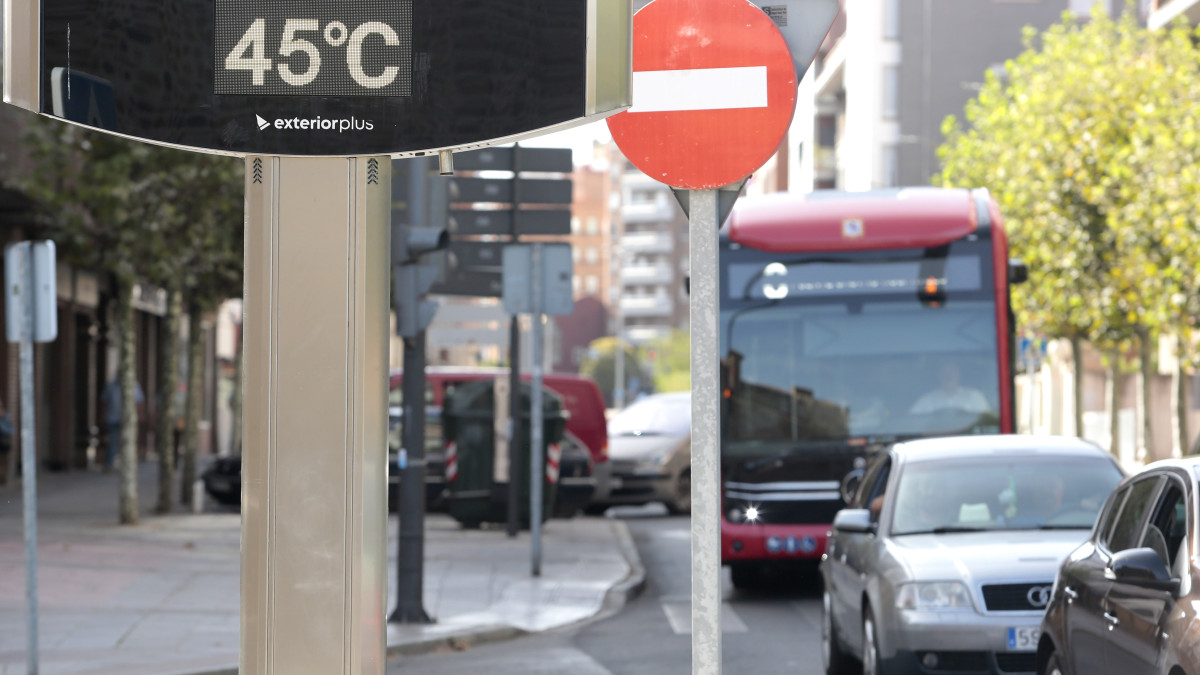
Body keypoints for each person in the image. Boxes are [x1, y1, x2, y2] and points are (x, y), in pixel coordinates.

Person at [909, 361, 990, 414]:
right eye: (945, 372)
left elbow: (987, 421)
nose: (949, 376)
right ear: (939, 376)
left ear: (958, 374)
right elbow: (912, 421)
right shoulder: (926, 401)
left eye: (952, 372)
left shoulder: (974, 397)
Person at [101, 376, 144, 471]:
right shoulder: (111, 386)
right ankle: (109, 464)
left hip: (128, 420)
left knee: (128, 442)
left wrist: (140, 415)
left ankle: (128, 465)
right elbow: (104, 402)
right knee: (112, 442)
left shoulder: (134, 385)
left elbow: (140, 402)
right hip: (112, 419)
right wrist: (102, 416)